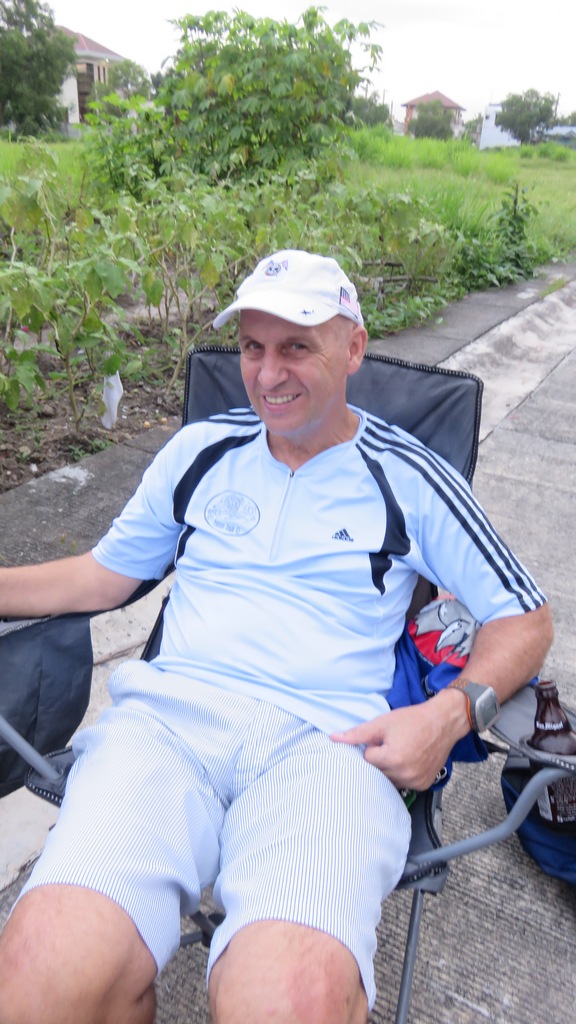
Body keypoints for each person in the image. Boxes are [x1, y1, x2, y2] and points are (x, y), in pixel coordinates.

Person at [0, 250, 553, 1024]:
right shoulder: (200, 453)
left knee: (290, 1001)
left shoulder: (410, 476)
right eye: (252, 347)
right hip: (165, 732)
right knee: (39, 977)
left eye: (297, 346)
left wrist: (452, 713)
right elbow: (100, 578)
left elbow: (525, 617)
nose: (267, 374)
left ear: (353, 348)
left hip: (329, 748)